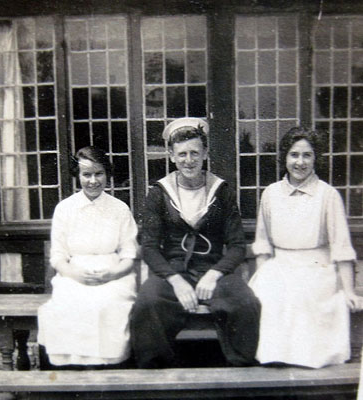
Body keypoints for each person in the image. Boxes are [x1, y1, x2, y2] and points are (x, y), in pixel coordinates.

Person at [130, 117, 261, 368]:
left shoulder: (221, 191)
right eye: (182, 154)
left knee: (246, 304)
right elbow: (149, 247)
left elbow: (236, 246)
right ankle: (155, 375)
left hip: (213, 268)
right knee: (148, 303)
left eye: (194, 153)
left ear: (205, 153)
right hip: (173, 270)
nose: (188, 160)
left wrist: (214, 274)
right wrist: (175, 280)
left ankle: (242, 373)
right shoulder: (159, 192)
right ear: (171, 156)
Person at [249, 126, 363, 369]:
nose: (299, 162)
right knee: (269, 293)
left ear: (315, 159)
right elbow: (262, 243)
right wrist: (262, 275)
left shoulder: (328, 195)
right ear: (284, 158)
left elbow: (342, 248)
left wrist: (350, 291)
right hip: (279, 266)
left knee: (303, 295)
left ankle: (308, 364)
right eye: (294, 155)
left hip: (318, 268)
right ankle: (274, 362)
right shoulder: (270, 194)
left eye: (306, 155)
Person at [38, 146, 139, 367]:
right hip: (74, 274)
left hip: (113, 274)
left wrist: (112, 274)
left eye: (99, 174)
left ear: (107, 174)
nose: (93, 181)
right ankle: (75, 368)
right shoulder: (65, 209)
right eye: (87, 174)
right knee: (70, 303)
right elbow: (58, 256)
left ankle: (110, 367)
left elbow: (129, 255)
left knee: (108, 304)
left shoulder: (120, 209)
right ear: (78, 176)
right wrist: (76, 275)